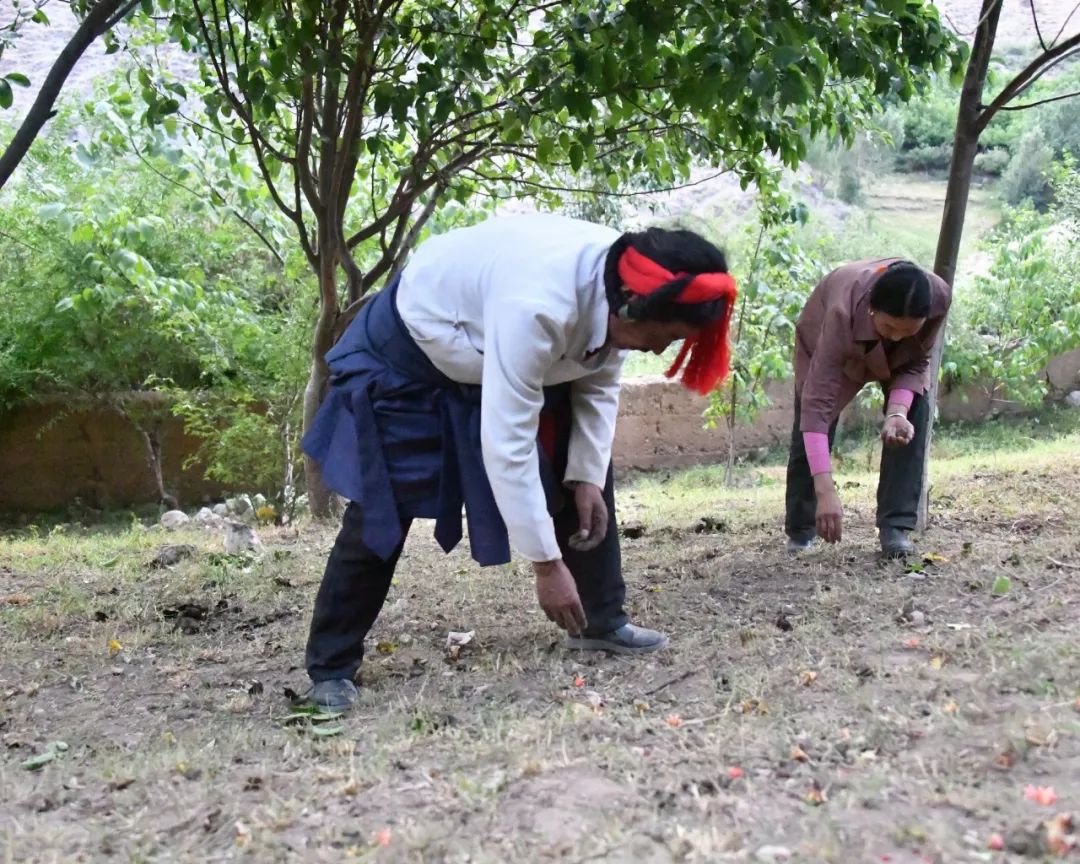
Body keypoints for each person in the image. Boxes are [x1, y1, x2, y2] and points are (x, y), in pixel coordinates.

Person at [301, 214, 737, 711]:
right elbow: (508, 440)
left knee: (582, 470)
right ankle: (331, 665)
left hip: (503, 345)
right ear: (630, 308)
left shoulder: (624, 281)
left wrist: (587, 476)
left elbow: (597, 379)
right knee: (385, 502)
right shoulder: (538, 306)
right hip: (417, 347)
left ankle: (600, 621)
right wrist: (546, 565)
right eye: (664, 335)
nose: (660, 349)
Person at [785, 258, 951, 558]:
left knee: (911, 417)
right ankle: (801, 531)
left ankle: (895, 529)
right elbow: (816, 407)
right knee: (810, 426)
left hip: (898, 361)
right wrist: (826, 490)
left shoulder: (939, 297)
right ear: (872, 308)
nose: (898, 336)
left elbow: (915, 360)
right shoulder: (841, 313)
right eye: (889, 326)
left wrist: (897, 412)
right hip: (827, 343)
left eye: (908, 330)